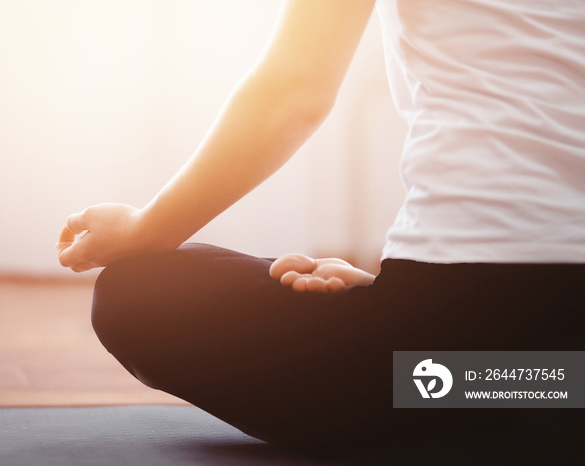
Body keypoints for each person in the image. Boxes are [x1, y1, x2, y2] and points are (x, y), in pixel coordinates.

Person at [57, 0, 585, 460]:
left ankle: (508, 403)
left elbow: (295, 92)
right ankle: (542, 394)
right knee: (542, 378)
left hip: (451, 350)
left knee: (142, 294)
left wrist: (145, 229)